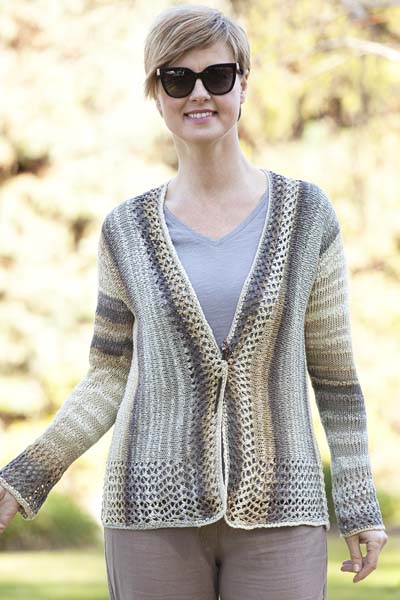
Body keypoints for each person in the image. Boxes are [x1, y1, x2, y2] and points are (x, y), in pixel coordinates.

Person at [0, 4, 388, 599]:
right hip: (148, 512)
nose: (199, 93)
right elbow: (107, 377)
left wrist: (358, 500)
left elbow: (334, 377)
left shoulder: (308, 216)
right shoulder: (126, 231)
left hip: (283, 510)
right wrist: (27, 474)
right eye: (178, 79)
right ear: (156, 93)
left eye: (218, 76)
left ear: (244, 84)